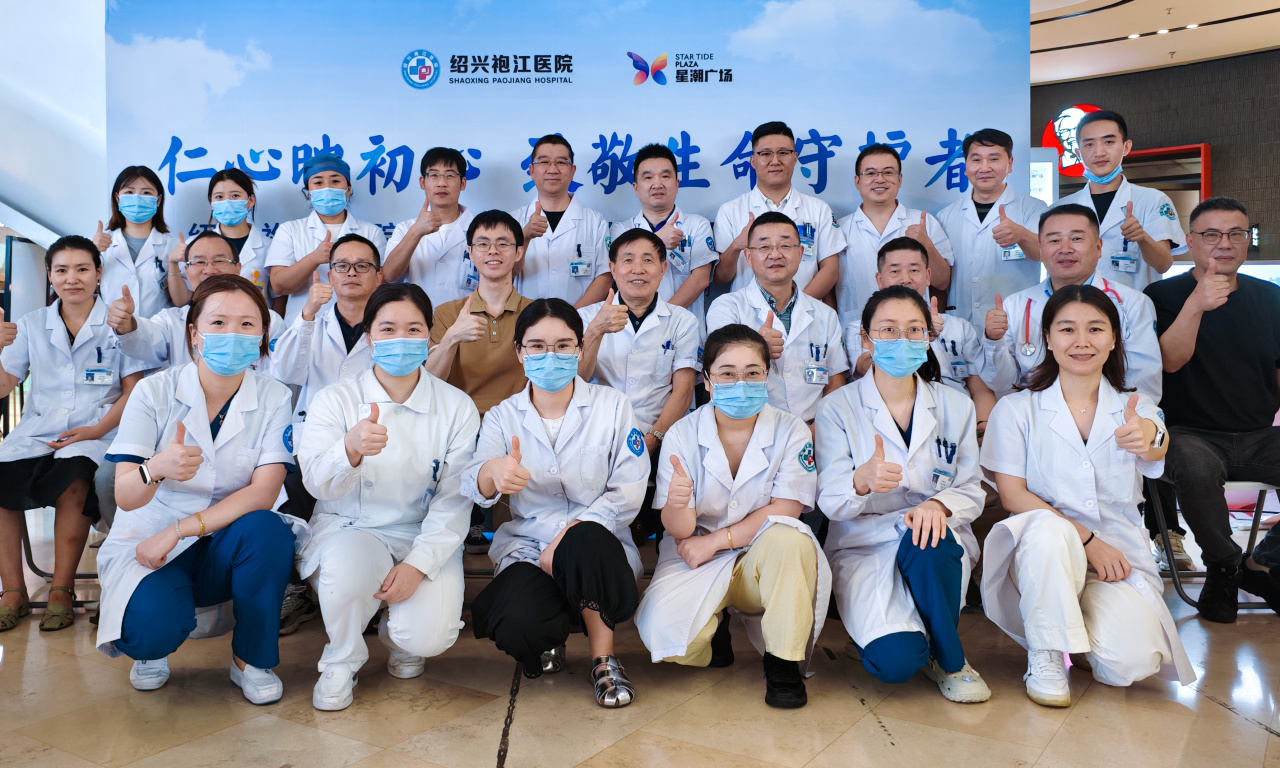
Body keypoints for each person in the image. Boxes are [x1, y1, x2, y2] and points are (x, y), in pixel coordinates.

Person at [981, 285, 1195, 708]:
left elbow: (1157, 441)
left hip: (1115, 561)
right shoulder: (1017, 408)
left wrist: (1146, 436)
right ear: (1047, 338)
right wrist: (1089, 541)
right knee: (1048, 529)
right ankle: (1045, 652)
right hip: (1040, 555)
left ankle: (1075, 633)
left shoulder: (1135, 406)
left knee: (1132, 663)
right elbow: (1012, 495)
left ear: (1114, 338)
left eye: (1095, 329)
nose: (1081, 341)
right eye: (1067, 329)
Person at [95, 275, 303, 704]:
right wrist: (156, 468)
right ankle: (152, 647)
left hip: (226, 542)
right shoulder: (154, 391)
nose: (233, 334)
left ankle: (251, 660)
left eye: (247, 324)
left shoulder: (274, 396)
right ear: (194, 334)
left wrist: (179, 531)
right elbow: (126, 496)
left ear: (262, 335)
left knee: (268, 530)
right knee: (148, 631)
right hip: (150, 541)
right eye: (219, 322)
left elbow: (263, 493)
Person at [297, 283, 480, 711]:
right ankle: (341, 659)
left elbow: (454, 499)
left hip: (420, 531)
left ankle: (399, 638)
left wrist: (419, 564)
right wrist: (349, 449)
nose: (401, 339)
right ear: (369, 337)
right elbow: (316, 484)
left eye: (413, 329)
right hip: (352, 527)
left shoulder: (456, 406)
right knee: (347, 569)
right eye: (388, 328)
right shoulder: (336, 399)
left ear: (430, 335)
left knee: (428, 638)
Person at [462, 299, 649, 708]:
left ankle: (603, 658)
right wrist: (494, 472)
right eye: (537, 346)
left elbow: (629, 490)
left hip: (598, 549)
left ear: (580, 349)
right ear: (519, 352)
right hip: (529, 547)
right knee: (514, 621)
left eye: (563, 345)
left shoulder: (611, 406)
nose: (551, 356)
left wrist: (566, 538)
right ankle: (550, 635)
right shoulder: (502, 417)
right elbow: (474, 480)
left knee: (584, 541)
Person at [635, 324, 828, 709]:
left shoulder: (791, 430)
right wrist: (677, 504)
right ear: (707, 381)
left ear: (767, 377)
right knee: (668, 641)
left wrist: (716, 541)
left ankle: (782, 664)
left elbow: (787, 509)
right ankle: (715, 630)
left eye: (753, 373)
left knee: (790, 537)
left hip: (762, 559)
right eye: (727, 373)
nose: (741, 383)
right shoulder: (682, 434)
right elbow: (679, 529)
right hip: (694, 557)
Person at [816, 286, 990, 702]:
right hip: (865, 543)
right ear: (865, 339)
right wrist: (861, 480)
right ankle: (899, 641)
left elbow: (971, 487)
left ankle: (951, 661)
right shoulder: (837, 407)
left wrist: (938, 504)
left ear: (929, 338)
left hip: (935, 545)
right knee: (895, 665)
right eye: (888, 330)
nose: (902, 340)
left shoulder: (956, 405)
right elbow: (830, 500)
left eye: (914, 330)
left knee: (928, 535)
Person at [0, 235, 146, 633]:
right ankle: (12, 591)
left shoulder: (118, 324)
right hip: (38, 430)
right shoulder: (32, 324)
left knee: (76, 478)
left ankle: (61, 590)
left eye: (82, 269)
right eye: (61, 270)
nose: (72, 278)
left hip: (97, 430)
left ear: (98, 273)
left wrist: (95, 430)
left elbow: (133, 390)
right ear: (50, 275)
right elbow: (4, 384)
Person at [1144, 196, 1280, 621]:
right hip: (1189, 434)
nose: (1224, 243)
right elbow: (1169, 362)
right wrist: (1197, 304)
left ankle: (1259, 561)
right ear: (1190, 242)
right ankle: (1223, 567)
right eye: (1211, 234)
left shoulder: (1270, 297)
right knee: (1196, 466)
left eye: (1236, 233)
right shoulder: (1161, 295)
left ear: (1247, 240)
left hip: (1259, 434)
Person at [579, 228, 700, 537]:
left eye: (648, 260)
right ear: (612, 268)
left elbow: (684, 389)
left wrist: (654, 437)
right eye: (628, 260)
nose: (638, 269)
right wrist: (595, 332)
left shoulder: (682, 321)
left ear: (662, 269)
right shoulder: (585, 317)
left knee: (659, 523)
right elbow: (576, 381)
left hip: (660, 432)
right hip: (598, 432)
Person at [427, 210, 533, 553]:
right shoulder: (447, 313)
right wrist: (452, 338)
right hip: (461, 426)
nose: (493, 252)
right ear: (471, 252)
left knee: (519, 524)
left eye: (503, 244)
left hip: (518, 424)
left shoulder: (536, 312)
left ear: (518, 252)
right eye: (483, 244)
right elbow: (429, 381)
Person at [982, 204, 1161, 399]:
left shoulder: (1133, 303)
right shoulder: (1015, 306)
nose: (1065, 249)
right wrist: (994, 341)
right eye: (1054, 240)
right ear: (1040, 249)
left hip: (1112, 414)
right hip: (1033, 413)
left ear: (1098, 247)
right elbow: (1002, 384)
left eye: (1076, 239)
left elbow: (1144, 387)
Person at [706, 212, 848, 425]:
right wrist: (756, 346)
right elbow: (723, 375)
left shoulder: (825, 314)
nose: (775, 254)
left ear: (800, 253)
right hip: (751, 429)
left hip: (814, 429)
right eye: (764, 247)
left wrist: (816, 430)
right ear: (748, 257)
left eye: (785, 246)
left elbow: (835, 381)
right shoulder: (727, 308)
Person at [846, 238, 996, 431]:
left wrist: (982, 430)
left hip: (957, 422)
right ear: (879, 279)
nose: (905, 278)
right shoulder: (863, 327)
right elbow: (863, 368)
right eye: (895, 271)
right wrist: (916, 337)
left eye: (914, 270)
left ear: (927, 276)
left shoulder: (959, 327)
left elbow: (981, 390)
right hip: (889, 422)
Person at [108, 231, 282, 371]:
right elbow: (144, 340)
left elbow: (282, 371)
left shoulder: (269, 321)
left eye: (219, 260)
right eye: (199, 262)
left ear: (238, 268)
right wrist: (126, 324)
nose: (209, 270)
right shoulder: (172, 321)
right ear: (187, 270)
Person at [1054, 110, 1186, 291]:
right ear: (1078, 152)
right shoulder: (1060, 209)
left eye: (1108, 142)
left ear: (1126, 147)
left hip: (1133, 306)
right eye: (1089, 144)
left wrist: (1142, 238)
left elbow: (1163, 265)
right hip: (1078, 305)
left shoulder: (1153, 200)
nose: (1099, 152)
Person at [713, 121, 843, 299]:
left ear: (795, 158)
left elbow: (831, 271)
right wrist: (737, 245)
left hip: (806, 311)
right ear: (753, 160)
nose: (775, 161)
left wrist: (796, 308)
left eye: (783, 153)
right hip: (746, 312)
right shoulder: (730, 211)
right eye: (766, 154)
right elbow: (720, 278)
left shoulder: (819, 209)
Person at [935, 128, 1047, 330]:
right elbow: (941, 278)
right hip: (961, 326)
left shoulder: (1033, 208)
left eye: (994, 159)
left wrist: (1021, 235)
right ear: (966, 165)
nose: (984, 167)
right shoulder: (946, 216)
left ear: (1010, 164)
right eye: (976, 160)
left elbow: (1043, 254)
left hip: (1015, 325)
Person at [836, 144, 953, 329]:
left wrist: (926, 244)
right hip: (855, 330)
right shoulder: (839, 229)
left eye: (888, 172)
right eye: (870, 173)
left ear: (899, 179)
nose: (880, 179)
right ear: (857, 181)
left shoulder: (924, 222)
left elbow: (942, 281)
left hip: (913, 331)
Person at [265, 154, 387, 325]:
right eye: (318, 183)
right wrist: (314, 258)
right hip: (304, 324)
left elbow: (380, 284)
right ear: (308, 192)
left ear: (348, 189)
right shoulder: (290, 230)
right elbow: (279, 286)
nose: (327, 188)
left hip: (361, 323)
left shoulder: (371, 232)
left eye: (335, 181)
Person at [609, 143, 717, 329]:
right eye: (648, 177)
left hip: (684, 327)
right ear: (636, 188)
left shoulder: (697, 225)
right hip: (633, 328)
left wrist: (661, 319)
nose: (657, 184)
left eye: (665, 176)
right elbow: (618, 278)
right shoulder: (621, 230)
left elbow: (701, 279)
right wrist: (657, 240)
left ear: (677, 184)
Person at [509, 135, 610, 307]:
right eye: (544, 162)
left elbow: (605, 277)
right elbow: (504, 274)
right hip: (525, 320)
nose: (553, 169)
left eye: (561, 162)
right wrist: (524, 236)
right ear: (532, 170)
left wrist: (572, 317)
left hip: (580, 320)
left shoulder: (595, 221)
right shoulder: (513, 221)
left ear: (572, 171)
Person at [383, 147, 476, 306]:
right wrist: (416, 232)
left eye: (450, 175)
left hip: (467, 317)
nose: (442, 183)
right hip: (418, 317)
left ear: (463, 183)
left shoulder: (480, 229)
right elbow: (389, 275)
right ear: (422, 182)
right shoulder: (406, 228)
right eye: (434, 175)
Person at [92, 166, 179, 320]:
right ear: (118, 198)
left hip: (158, 332)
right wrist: (90, 252)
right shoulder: (98, 245)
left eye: (146, 193)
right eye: (129, 192)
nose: (137, 198)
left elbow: (181, 300)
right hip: (111, 331)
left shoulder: (173, 246)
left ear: (158, 200)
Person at [207, 168, 271, 299]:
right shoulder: (195, 245)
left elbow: (278, 298)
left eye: (235, 196)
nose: (227, 203)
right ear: (211, 203)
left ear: (251, 200)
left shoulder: (270, 247)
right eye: (219, 197)